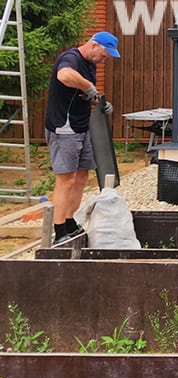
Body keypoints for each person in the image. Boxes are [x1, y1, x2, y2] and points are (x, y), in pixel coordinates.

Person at [44, 31, 119, 243]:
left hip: (81, 126)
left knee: (82, 176)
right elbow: (64, 76)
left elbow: (80, 94)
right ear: (94, 45)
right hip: (64, 128)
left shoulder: (90, 65)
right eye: (103, 55)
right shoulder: (71, 58)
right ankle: (59, 232)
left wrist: (97, 102)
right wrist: (88, 87)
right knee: (66, 179)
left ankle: (70, 222)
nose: (103, 60)